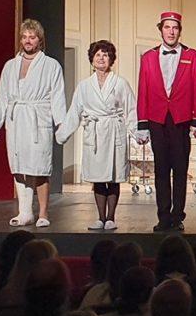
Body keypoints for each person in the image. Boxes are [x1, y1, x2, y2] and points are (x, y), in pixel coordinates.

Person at [0, 19, 67, 227]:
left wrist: (61, 123)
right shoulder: (10, 65)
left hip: (38, 119)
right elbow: (3, 95)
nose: (28, 41)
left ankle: (43, 213)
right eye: (24, 37)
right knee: (19, 166)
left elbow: (57, 96)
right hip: (16, 120)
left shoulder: (51, 65)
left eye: (32, 37)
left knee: (39, 167)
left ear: (40, 40)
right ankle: (25, 212)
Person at [135, 11, 196, 232]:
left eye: (175, 28)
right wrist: (142, 123)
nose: (171, 32)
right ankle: (163, 216)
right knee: (161, 169)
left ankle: (178, 216)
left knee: (180, 169)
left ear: (179, 31)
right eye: (167, 27)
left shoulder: (192, 55)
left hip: (181, 119)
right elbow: (143, 90)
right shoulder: (148, 57)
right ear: (161, 30)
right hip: (157, 119)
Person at [55, 40, 137, 231]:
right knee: (98, 177)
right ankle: (100, 217)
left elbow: (131, 109)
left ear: (111, 59)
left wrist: (138, 132)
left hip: (114, 131)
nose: (101, 58)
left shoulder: (120, 83)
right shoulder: (84, 86)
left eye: (105, 55)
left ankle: (111, 217)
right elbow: (74, 112)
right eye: (98, 54)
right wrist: (63, 133)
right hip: (95, 134)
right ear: (92, 59)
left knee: (113, 177)